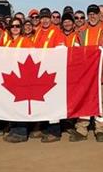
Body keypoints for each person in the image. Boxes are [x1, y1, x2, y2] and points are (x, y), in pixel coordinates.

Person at [70, 4, 103, 143]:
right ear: (88, 15)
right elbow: (76, 52)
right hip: (87, 73)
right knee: (85, 100)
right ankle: (82, 129)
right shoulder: (81, 31)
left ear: (99, 15)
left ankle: (100, 129)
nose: (93, 16)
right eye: (90, 13)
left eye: (95, 13)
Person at [32, 8, 66, 143]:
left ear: (51, 18)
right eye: (42, 17)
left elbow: (60, 53)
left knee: (53, 102)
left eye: (47, 17)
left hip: (52, 72)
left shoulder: (57, 33)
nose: (45, 20)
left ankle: (55, 131)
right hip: (39, 72)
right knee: (42, 101)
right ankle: (43, 127)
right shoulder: (38, 31)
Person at [4, 18, 34, 144]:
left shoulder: (26, 41)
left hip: (23, 77)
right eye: (12, 26)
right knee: (13, 104)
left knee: (21, 105)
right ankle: (14, 128)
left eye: (17, 26)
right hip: (11, 78)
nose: (15, 28)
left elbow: (32, 58)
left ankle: (21, 132)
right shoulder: (7, 43)